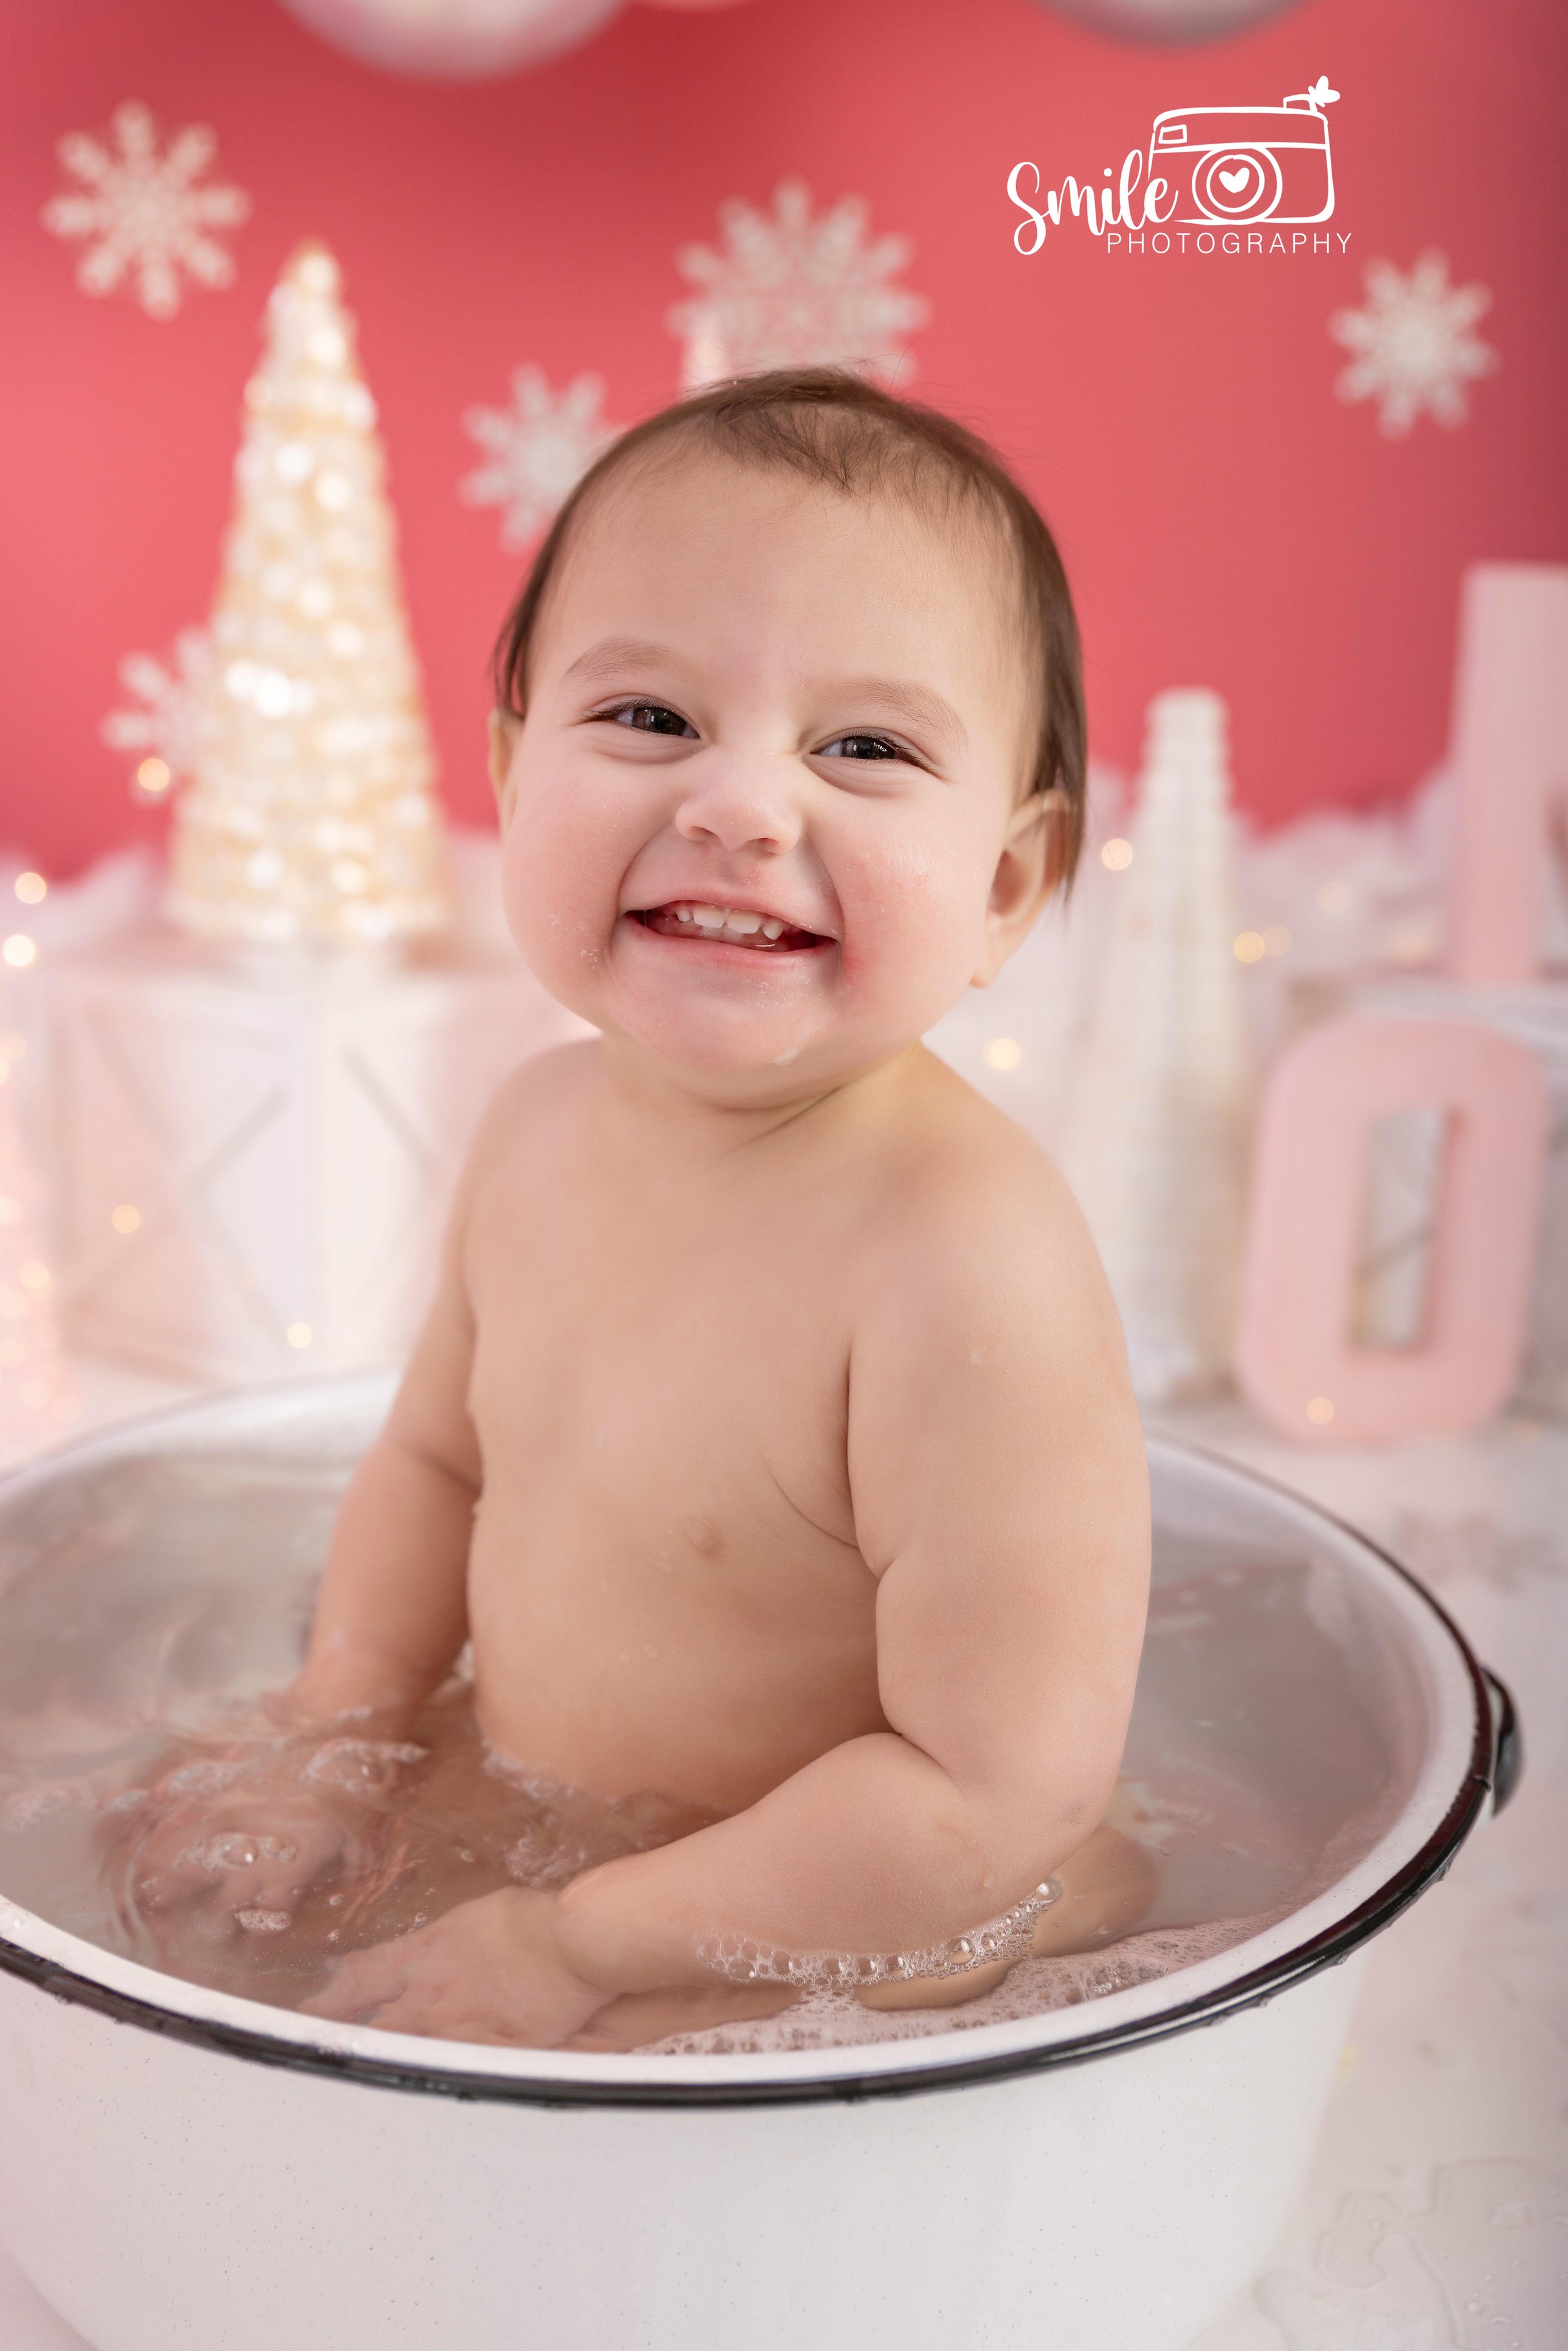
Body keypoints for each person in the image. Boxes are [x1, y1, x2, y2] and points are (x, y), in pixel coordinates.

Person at [143, 367, 1151, 2049]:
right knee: (185, 1878)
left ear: (1002, 885)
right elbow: (437, 1467)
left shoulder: (963, 1257)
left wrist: (578, 1945)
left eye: (864, 746)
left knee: (600, 2100)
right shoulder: (531, 1128)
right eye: (650, 718)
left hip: (866, 1924)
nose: (738, 805)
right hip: (568, 1837)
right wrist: (335, 1732)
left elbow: (997, 1798)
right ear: (509, 775)